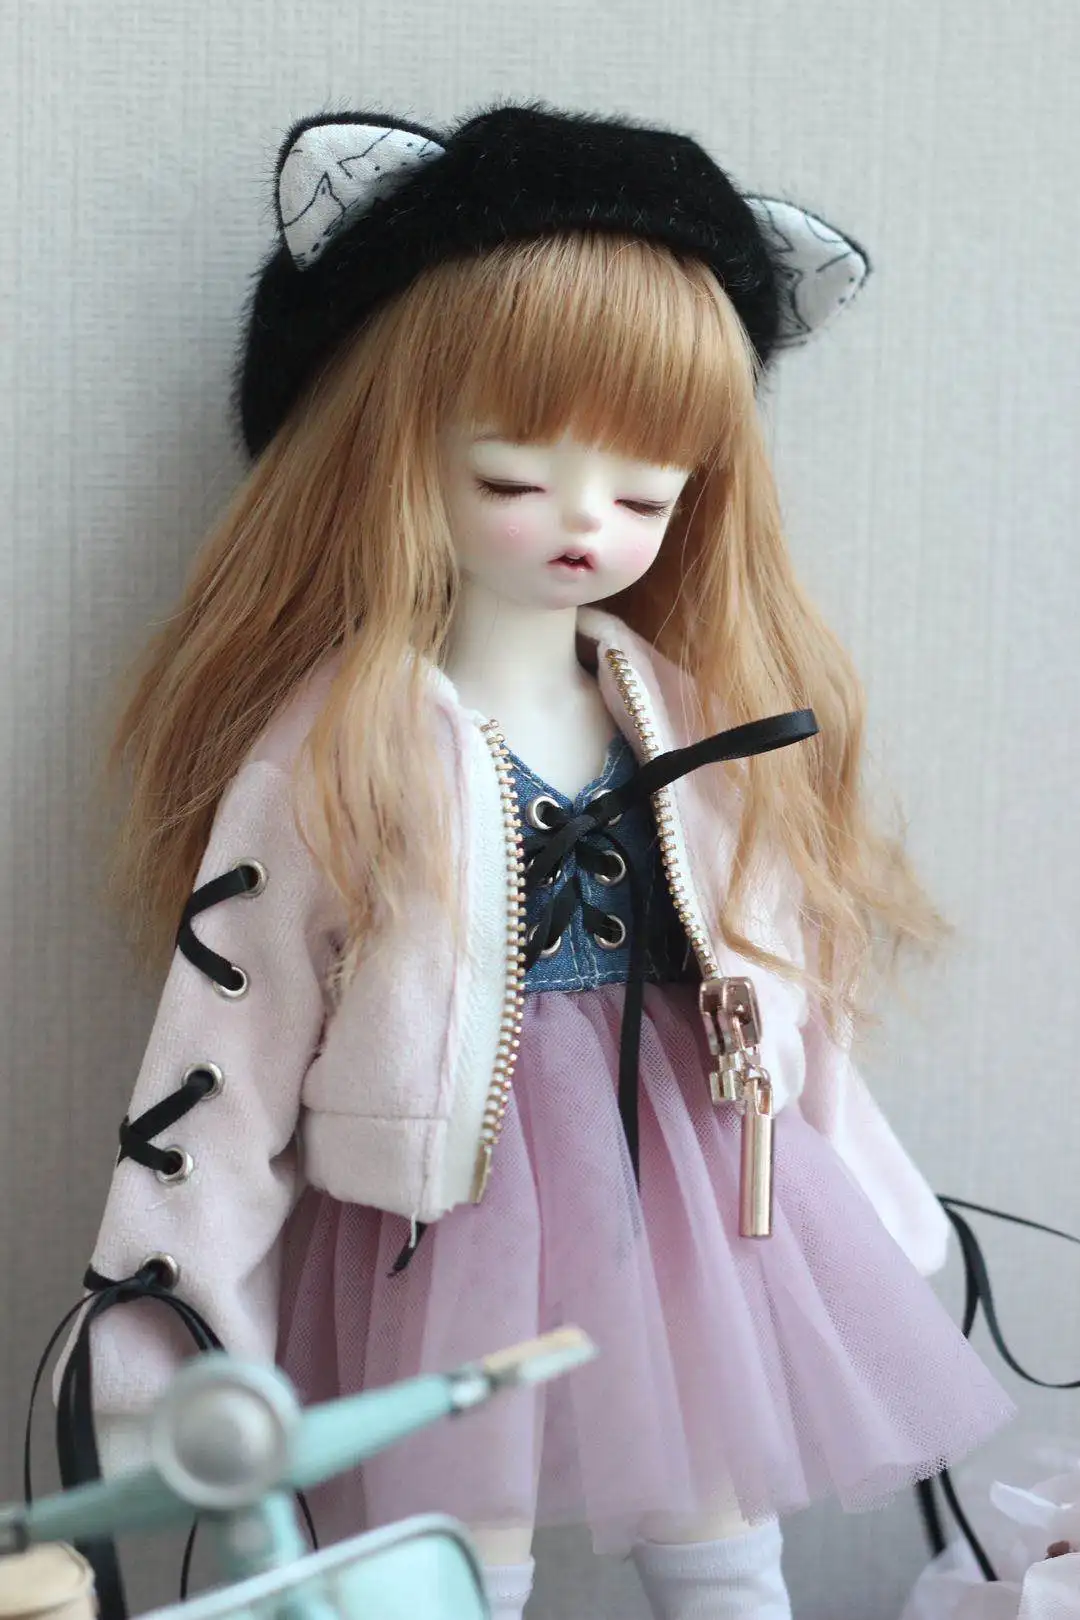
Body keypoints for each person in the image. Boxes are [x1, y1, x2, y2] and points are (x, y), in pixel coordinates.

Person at [57, 104, 1014, 1620]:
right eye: (514, 476)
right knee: (457, 1550)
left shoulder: (690, 715)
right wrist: (167, 1325)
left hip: (686, 1178)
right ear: (386, 451)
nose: (585, 522)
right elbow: (224, 1059)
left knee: (722, 1525)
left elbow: (785, 985)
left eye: (646, 494)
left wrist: (880, 1207)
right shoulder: (338, 750)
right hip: (444, 1220)